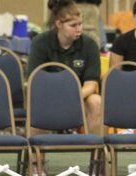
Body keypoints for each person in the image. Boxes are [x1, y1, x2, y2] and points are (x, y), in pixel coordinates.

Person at [28, 0, 102, 136]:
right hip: (48, 96)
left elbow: (91, 85)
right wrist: (58, 98)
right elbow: (34, 81)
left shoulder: (90, 45)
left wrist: (71, 97)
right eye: (73, 25)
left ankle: (96, 153)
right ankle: (35, 155)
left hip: (79, 97)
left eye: (80, 23)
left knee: (96, 101)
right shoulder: (40, 43)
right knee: (36, 103)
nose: (79, 29)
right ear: (58, 24)